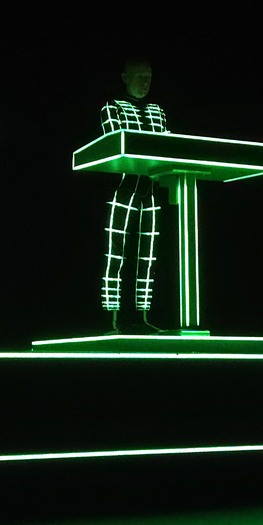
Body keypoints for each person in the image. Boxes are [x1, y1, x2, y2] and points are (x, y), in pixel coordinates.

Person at [99, 57, 169, 330]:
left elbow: (167, 147)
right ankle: (112, 317)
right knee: (114, 254)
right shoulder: (112, 107)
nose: (145, 82)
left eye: (149, 77)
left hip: (150, 191)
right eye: (140, 76)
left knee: (148, 257)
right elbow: (114, 144)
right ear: (125, 78)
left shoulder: (158, 111)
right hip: (122, 189)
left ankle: (143, 316)